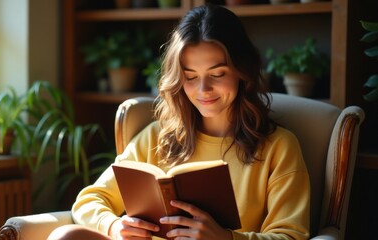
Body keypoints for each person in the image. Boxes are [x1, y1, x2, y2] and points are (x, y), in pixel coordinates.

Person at [48, 3, 310, 240]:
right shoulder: (156, 136)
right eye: (190, 76)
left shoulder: (278, 147)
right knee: (66, 236)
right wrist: (114, 226)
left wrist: (225, 238)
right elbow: (89, 200)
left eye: (217, 74)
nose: (203, 89)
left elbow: (291, 235)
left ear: (243, 73)